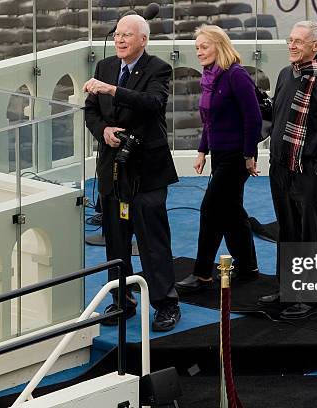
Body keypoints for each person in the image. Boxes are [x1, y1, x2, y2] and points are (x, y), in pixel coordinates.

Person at [83, 14, 180, 332]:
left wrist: (112, 90)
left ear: (143, 40)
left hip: (147, 172)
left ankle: (166, 304)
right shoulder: (104, 66)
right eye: (117, 35)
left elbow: (152, 103)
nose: (120, 40)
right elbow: (91, 110)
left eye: (127, 35)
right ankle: (122, 299)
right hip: (112, 169)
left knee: (153, 241)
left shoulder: (157, 68)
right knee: (116, 239)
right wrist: (104, 130)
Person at [258, 21, 317, 320]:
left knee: (311, 235)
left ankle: (313, 297)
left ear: (316, 46)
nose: (291, 46)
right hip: (280, 168)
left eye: (299, 41)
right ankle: (288, 289)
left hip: (307, 171)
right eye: (290, 40)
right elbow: (276, 117)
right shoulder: (286, 74)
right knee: (288, 231)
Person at [175, 25, 262, 292]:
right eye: (197, 48)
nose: (199, 52)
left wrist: (249, 155)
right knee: (232, 211)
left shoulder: (236, 75)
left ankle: (202, 273)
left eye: (204, 46)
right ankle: (248, 267)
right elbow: (209, 121)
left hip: (237, 156)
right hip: (220, 153)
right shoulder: (210, 76)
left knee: (211, 209)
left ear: (219, 46)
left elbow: (253, 118)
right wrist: (202, 150)